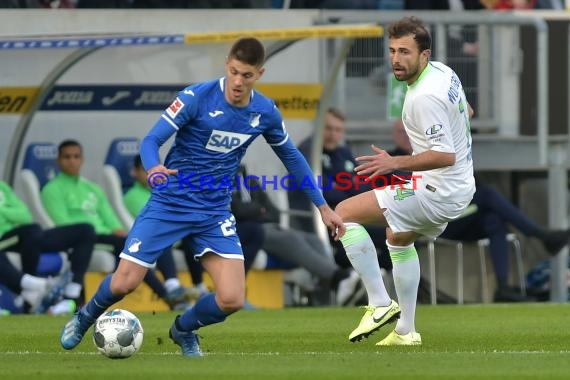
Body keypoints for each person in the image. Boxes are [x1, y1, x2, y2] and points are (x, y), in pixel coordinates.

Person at [59, 36, 344, 357]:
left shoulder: (264, 112)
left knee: (232, 298)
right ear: (227, 64)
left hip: (214, 212)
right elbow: (152, 140)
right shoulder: (196, 97)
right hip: (171, 204)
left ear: (259, 74)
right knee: (125, 282)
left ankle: (184, 329)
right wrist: (153, 168)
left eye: (247, 75)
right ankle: (85, 316)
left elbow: (292, 158)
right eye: (234, 72)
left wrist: (323, 206)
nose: (238, 82)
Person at [335, 16, 476, 346]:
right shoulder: (444, 72)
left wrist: (392, 162)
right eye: (392, 51)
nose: (396, 59)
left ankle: (380, 303)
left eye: (405, 52)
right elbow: (467, 112)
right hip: (459, 185)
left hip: (437, 190)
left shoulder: (422, 98)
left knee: (342, 214)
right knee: (397, 238)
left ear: (424, 55)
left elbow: (444, 155)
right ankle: (405, 332)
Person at [389, 119, 570, 302]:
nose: (406, 136)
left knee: (493, 219)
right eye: (401, 132)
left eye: (409, 131)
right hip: (427, 222)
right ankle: (541, 235)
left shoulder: (431, 157)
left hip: (454, 215)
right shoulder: (391, 163)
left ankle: (503, 288)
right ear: (394, 136)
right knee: (488, 195)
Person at [41, 140, 190, 310]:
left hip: (105, 237)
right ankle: (166, 295)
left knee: (132, 242)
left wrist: (117, 229)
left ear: (82, 159)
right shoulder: (51, 189)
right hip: (82, 238)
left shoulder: (92, 188)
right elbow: (63, 224)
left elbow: (109, 216)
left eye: (76, 156)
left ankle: (171, 292)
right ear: (58, 161)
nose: (72, 161)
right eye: (67, 157)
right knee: (124, 244)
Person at [291, 107, 393, 305]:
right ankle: (359, 285)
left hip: (349, 218)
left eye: (338, 130)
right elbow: (325, 191)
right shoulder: (307, 152)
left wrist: (344, 189)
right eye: (328, 128)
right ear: (319, 128)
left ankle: (372, 288)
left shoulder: (343, 153)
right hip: (319, 222)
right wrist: (345, 189)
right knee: (382, 236)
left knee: (393, 234)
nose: (332, 134)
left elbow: (360, 187)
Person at [232, 164, 360, 306]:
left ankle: (327, 299)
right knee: (291, 239)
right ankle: (339, 277)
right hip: (246, 231)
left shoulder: (251, 182)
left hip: (268, 226)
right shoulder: (222, 184)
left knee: (314, 240)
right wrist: (257, 210)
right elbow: (237, 209)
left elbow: (274, 213)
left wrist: (254, 211)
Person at [0, 179, 95, 309]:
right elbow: (20, 215)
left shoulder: (2, 186)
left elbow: (25, 215)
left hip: (22, 235)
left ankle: (72, 293)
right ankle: (31, 286)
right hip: (4, 239)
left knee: (85, 230)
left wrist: (2, 211)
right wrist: (10, 212)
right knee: (31, 230)